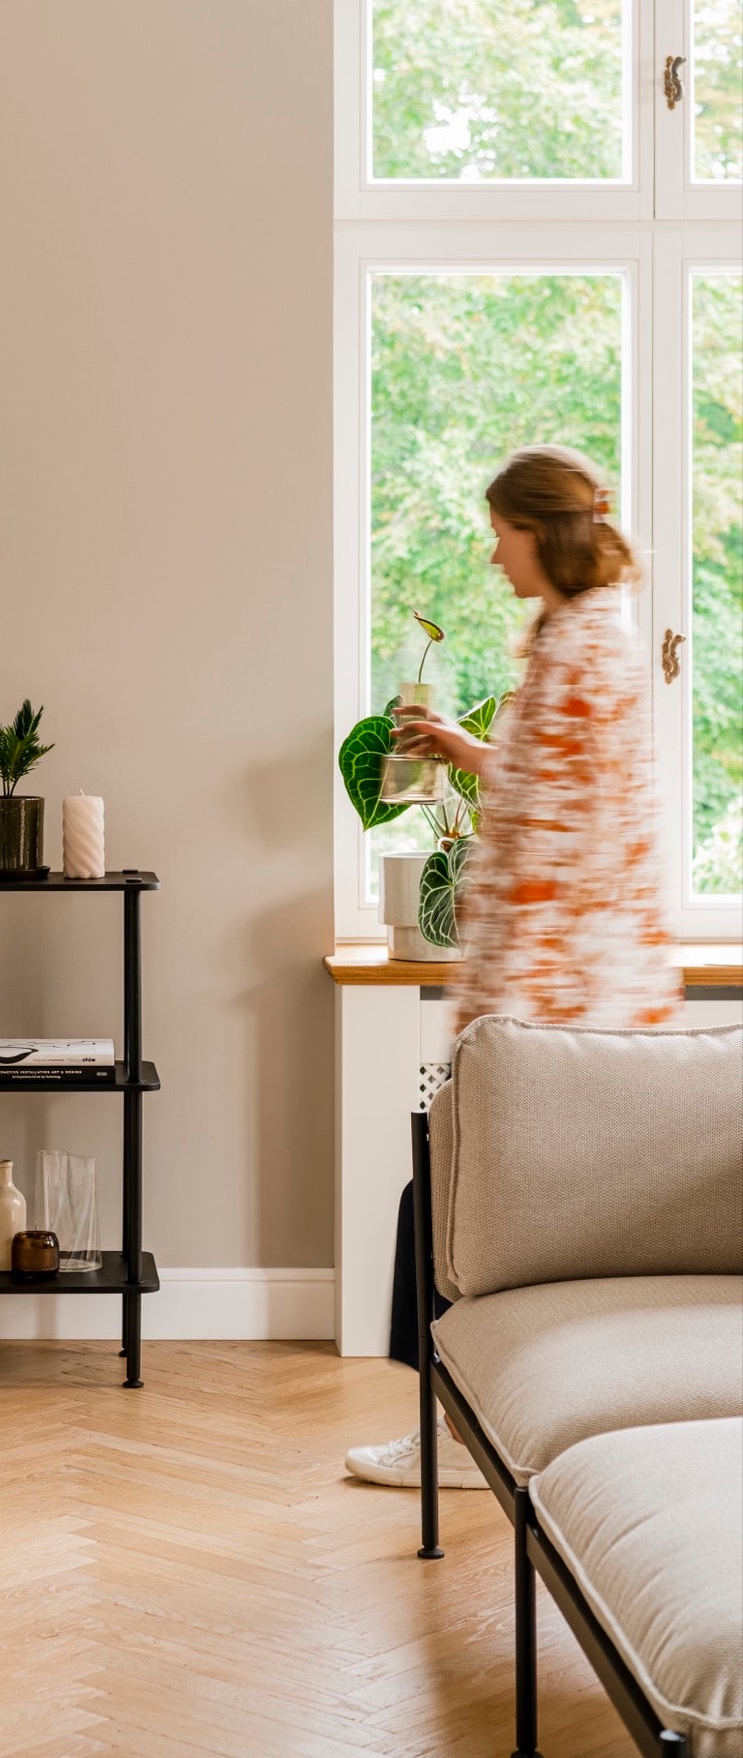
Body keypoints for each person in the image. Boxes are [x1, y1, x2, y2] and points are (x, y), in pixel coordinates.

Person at [345, 444, 682, 1489]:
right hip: (557, 991)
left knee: (444, 1207)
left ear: (541, 530)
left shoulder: (580, 650)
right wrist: (465, 748)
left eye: (499, 530)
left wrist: (505, 1015)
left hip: (551, 997)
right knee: (445, 1203)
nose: (492, 552)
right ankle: (448, 1428)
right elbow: (556, 785)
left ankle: (445, 1435)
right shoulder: (585, 635)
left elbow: (569, 830)